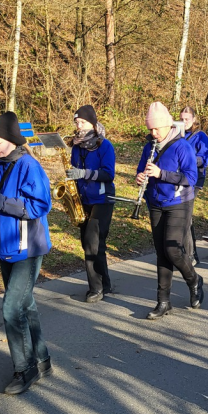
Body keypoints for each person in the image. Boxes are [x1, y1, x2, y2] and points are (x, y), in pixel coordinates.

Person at [0, 111, 53, 395]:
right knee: (25, 305)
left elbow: (39, 207)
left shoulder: (28, 166)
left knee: (11, 308)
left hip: (28, 247)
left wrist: (0, 200)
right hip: (5, 244)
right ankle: (42, 359)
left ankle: (25, 368)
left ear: (10, 140)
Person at [137, 102, 203, 320]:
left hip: (179, 203)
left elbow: (190, 178)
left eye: (156, 129)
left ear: (167, 125)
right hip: (155, 202)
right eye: (150, 129)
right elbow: (141, 170)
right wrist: (140, 177)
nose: (153, 133)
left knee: (173, 250)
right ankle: (163, 301)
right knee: (161, 252)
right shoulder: (149, 146)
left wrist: (161, 174)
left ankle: (194, 280)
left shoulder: (181, 146)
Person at [65, 105, 116, 302]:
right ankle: (105, 283)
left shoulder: (105, 146)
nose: (79, 126)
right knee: (94, 244)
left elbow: (108, 174)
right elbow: (74, 170)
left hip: (103, 199)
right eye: (77, 122)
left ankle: (96, 288)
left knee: (91, 243)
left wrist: (84, 174)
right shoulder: (77, 147)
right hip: (83, 199)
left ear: (93, 124)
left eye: (83, 122)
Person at [181, 106, 208, 265]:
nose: (184, 122)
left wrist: (187, 159)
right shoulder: (178, 134)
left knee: (185, 214)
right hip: (178, 178)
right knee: (184, 215)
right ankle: (190, 253)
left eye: (187, 119)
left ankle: (191, 256)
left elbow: (204, 160)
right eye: (182, 119)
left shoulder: (201, 136)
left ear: (193, 119)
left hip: (195, 180)